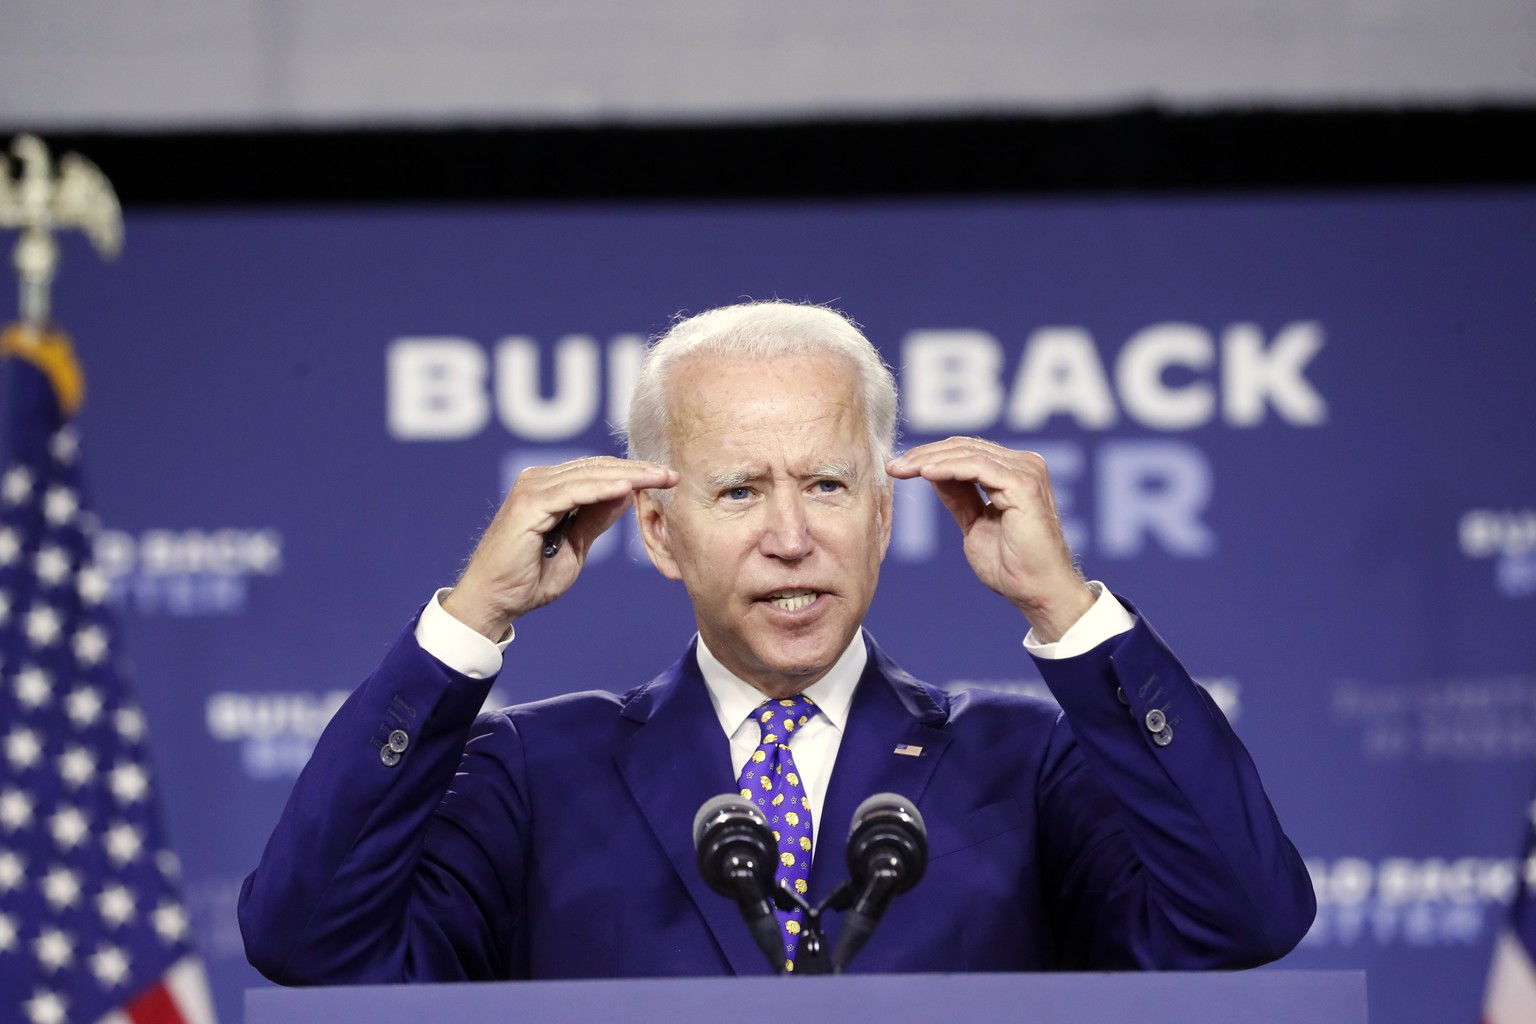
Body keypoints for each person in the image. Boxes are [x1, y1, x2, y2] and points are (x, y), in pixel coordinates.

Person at [239, 301, 1314, 983]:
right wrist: (468, 626)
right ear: (660, 530)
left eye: (831, 485)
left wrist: (1067, 611)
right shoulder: (535, 776)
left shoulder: (1026, 764)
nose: (792, 538)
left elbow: (1246, 915)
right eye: (741, 489)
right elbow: (309, 942)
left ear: (885, 516)